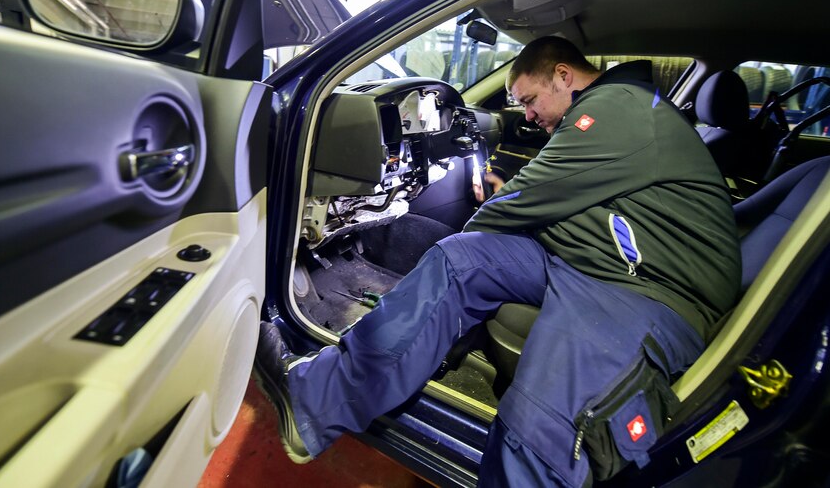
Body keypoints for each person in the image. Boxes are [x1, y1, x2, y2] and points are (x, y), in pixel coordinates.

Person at [255, 36, 741, 487]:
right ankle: (315, 403)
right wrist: (485, 222)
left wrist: (487, 213)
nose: (526, 115)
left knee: (539, 429)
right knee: (460, 259)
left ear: (563, 75)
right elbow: (557, 193)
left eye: (529, 100)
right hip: (599, 262)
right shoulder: (613, 108)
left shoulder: (619, 106)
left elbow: (528, 197)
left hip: (650, 291)